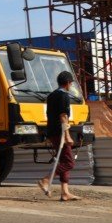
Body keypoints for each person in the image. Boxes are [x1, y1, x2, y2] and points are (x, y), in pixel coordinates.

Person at [37, 71, 81, 201]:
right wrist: (67, 135)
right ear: (68, 83)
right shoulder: (64, 96)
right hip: (60, 132)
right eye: (71, 83)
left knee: (63, 161)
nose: (71, 85)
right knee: (69, 163)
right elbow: (63, 116)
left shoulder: (51, 95)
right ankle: (45, 180)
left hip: (52, 131)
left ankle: (65, 192)